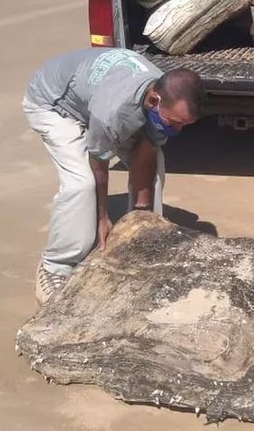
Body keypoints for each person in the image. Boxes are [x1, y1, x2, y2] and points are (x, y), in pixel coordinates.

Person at [22, 48, 202, 304]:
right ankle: (55, 265)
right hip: (52, 104)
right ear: (153, 101)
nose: (179, 129)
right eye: (174, 122)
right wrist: (102, 217)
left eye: (184, 124)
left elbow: (146, 151)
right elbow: (99, 162)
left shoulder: (164, 96)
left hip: (93, 99)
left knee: (156, 165)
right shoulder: (114, 110)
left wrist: (141, 216)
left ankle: (143, 237)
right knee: (81, 184)